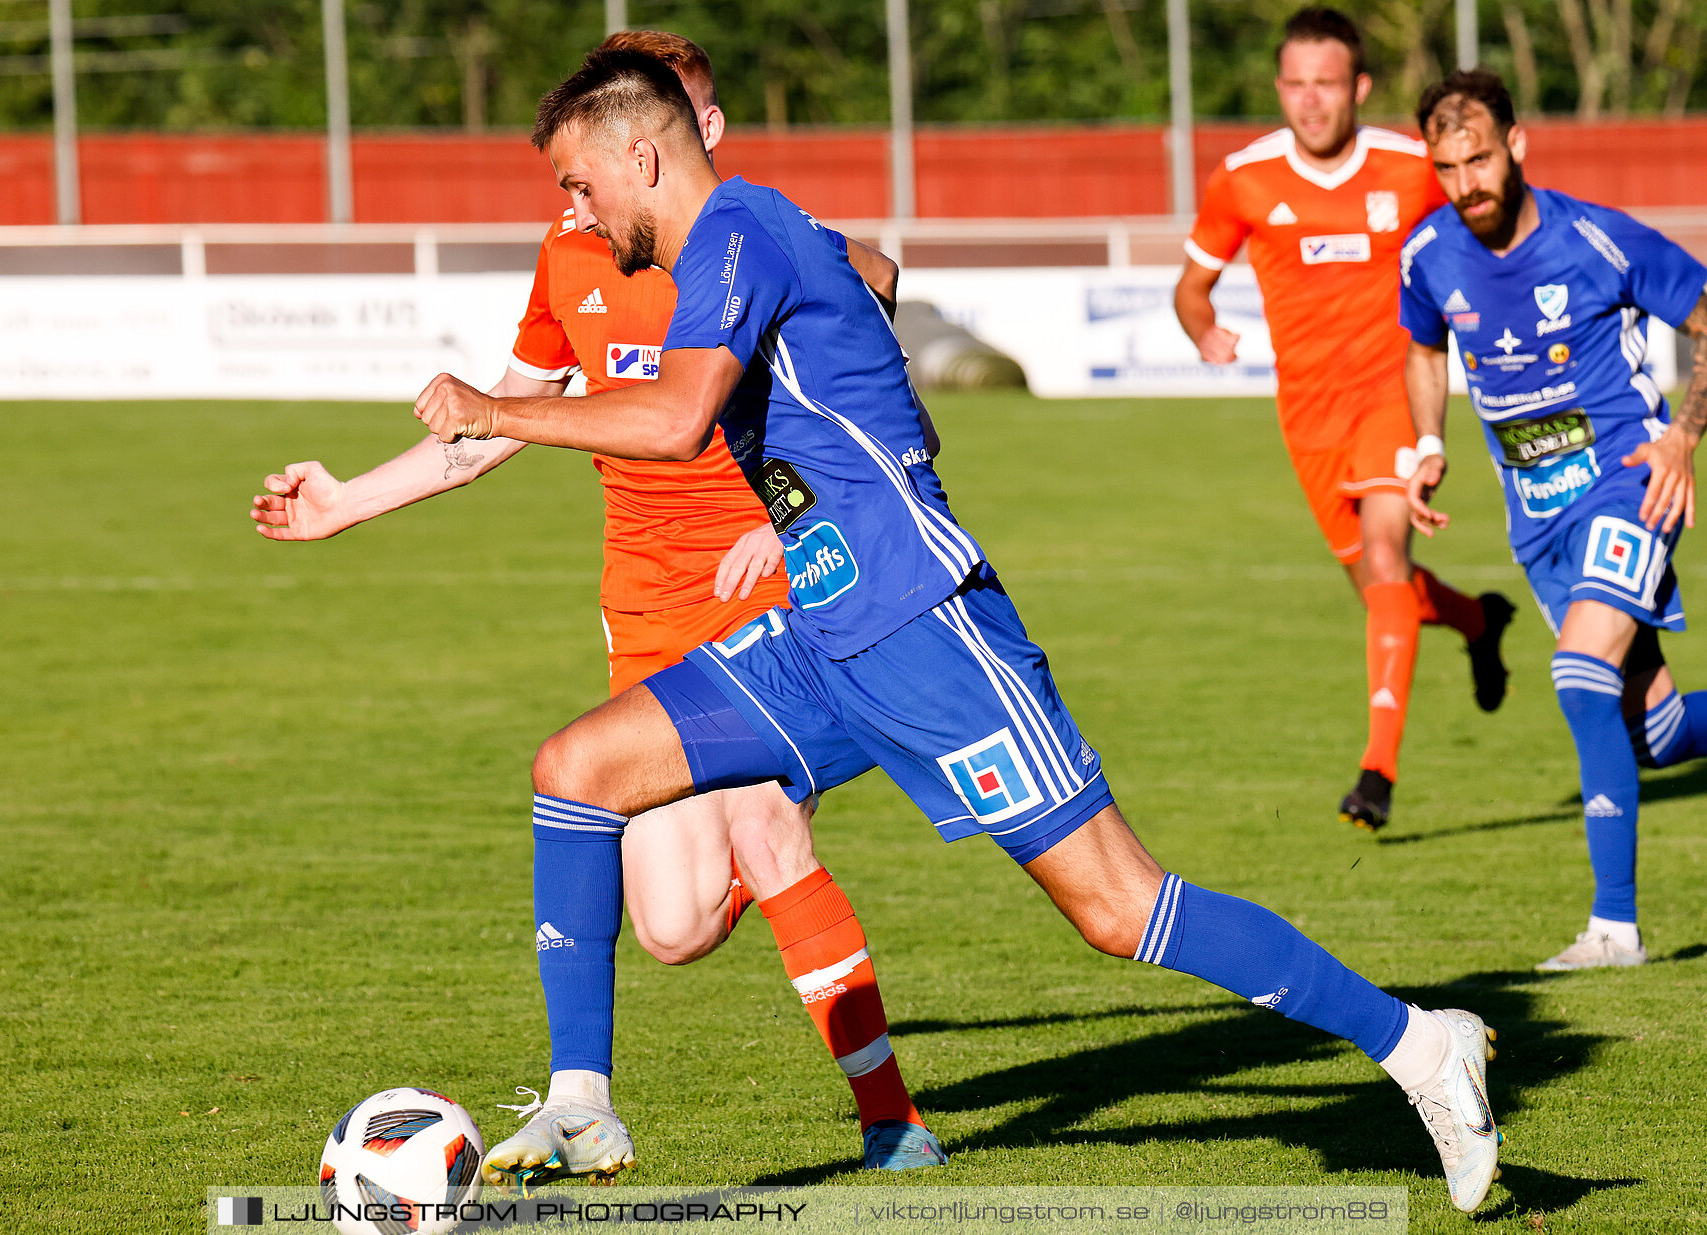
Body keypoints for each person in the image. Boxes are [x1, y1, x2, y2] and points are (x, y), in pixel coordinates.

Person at [414, 46, 1505, 1214]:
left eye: (580, 182)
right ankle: (581, 1101)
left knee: (1119, 907)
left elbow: (683, 418)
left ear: (642, 154)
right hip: (818, 631)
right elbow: (875, 327)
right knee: (576, 771)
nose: (571, 208)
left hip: (928, 628)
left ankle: (1420, 1046)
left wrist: (496, 410)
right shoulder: (744, 242)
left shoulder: (735, 228)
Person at [250, 31, 945, 1180]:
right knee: (671, 926)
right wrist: (342, 505)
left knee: (769, 828)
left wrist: (786, 515)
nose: (583, 193)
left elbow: (875, 283)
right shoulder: (572, 249)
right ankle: (768, 844)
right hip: (646, 609)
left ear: (687, 133)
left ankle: (892, 1119)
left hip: (771, 589)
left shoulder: (744, 233)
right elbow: (493, 426)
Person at [1174, 7, 1514, 831]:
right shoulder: (1243, 178)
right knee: (1379, 590)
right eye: (1295, 83)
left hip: (1397, 393)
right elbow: (1191, 286)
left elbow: (1489, 218)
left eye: (1326, 83)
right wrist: (1203, 328)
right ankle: (1478, 618)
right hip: (1308, 418)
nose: (1310, 101)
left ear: (1359, 86)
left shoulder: (1409, 166)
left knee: (1389, 552)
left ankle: (1377, 773)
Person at [1398, 68, 1707, 972]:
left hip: (1627, 484)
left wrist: (1684, 436)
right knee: (1651, 732)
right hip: (1535, 517)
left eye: (1482, 158)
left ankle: (1614, 929)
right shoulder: (1427, 255)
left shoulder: (1597, 240)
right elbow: (1423, 348)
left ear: (1518, 145)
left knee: (1579, 670)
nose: (1468, 183)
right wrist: (1427, 442)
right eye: (1448, 166)